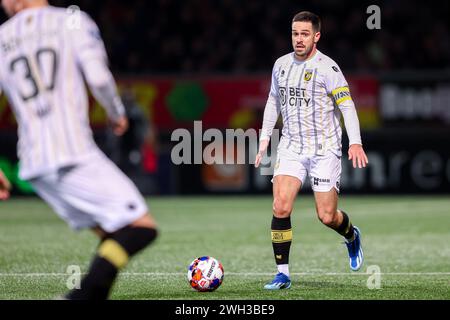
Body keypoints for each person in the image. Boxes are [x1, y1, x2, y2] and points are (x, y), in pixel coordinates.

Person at [0, 0, 158, 299]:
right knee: (141, 228)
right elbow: (98, 77)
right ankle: (82, 296)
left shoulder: (2, 37)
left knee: (113, 233)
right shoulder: (72, 21)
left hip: (33, 161)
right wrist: (116, 112)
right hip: (72, 153)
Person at [255, 11, 368, 290]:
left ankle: (351, 235)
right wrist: (265, 137)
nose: (299, 39)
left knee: (327, 216)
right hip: (292, 147)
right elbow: (273, 101)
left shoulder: (328, 69)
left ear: (316, 36)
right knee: (280, 206)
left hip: (324, 149)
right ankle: (283, 273)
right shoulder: (280, 65)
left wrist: (355, 141)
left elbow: (347, 106)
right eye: (295, 33)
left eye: (305, 34)